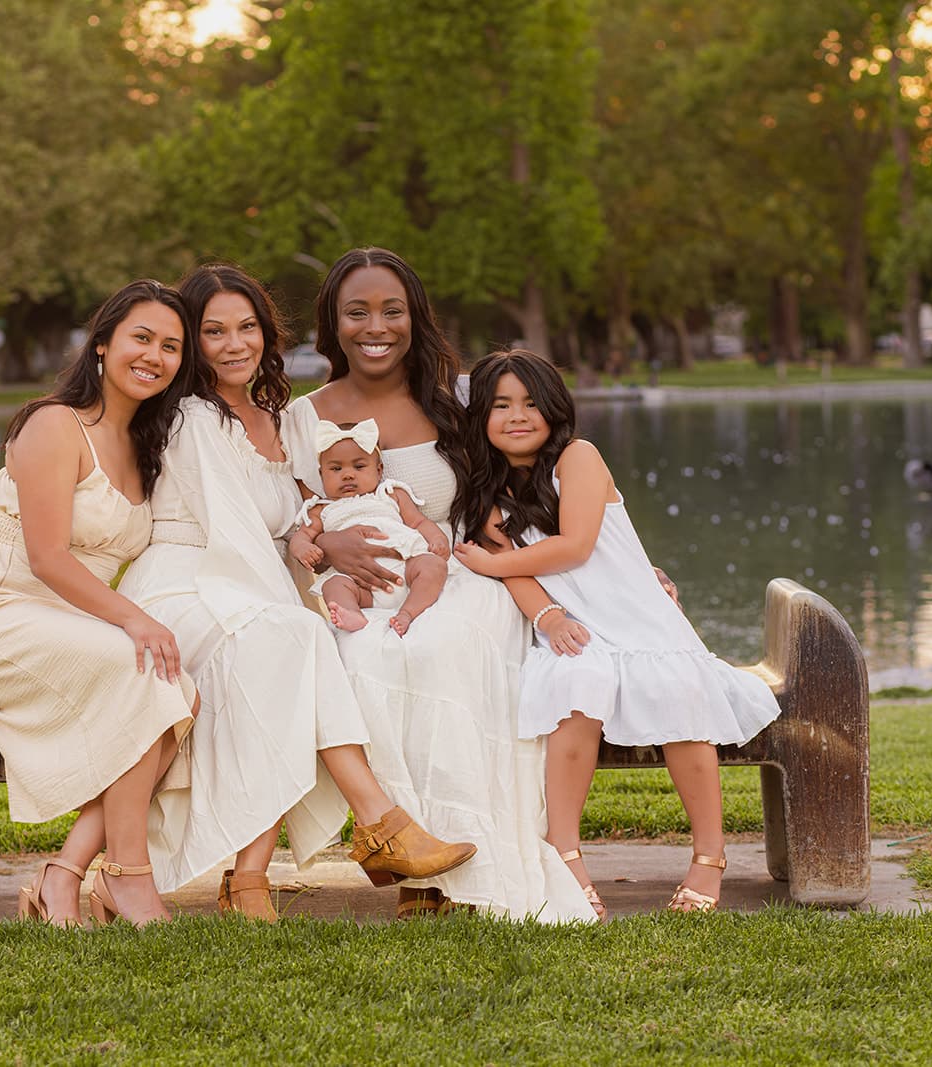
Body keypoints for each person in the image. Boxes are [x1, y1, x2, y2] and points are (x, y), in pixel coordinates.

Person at [117, 263, 477, 921]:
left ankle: (253, 878)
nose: (235, 344)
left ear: (266, 332)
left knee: (291, 652)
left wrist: (323, 547)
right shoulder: (194, 417)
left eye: (247, 327)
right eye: (213, 330)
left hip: (243, 587)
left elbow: (289, 527)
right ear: (192, 341)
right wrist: (304, 593)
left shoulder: (275, 419)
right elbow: (235, 536)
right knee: (298, 643)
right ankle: (378, 825)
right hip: (186, 583)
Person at [283, 248, 597, 923]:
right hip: (351, 589)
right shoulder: (302, 417)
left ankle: (457, 865)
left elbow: (533, 488)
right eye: (357, 311)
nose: (377, 325)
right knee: (362, 654)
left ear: (414, 317)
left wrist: (624, 565)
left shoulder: (453, 402)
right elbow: (277, 514)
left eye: (392, 310)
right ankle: (404, 844)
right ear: (332, 324)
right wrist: (321, 544)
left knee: (444, 647)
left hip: (454, 576)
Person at [453, 349, 783, 914]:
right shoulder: (488, 496)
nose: (518, 415)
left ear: (555, 409)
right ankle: (566, 854)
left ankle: (709, 855)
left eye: (532, 403)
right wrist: (547, 617)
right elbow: (524, 575)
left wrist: (487, 563)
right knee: (575, 686)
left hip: (637, 614)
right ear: (480, 416)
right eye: (501, 404)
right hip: (575, 624)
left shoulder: (578, 458)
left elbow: (576, 544)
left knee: (679, 692)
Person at [0, 280, 202, 929]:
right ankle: (130, 879)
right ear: (102, 344)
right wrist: (135, 619)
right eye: (142, 337)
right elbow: (48, 557)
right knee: (148, 675)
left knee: (180, 693)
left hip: (67, 619)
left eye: (171, 346)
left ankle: (66, 872)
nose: (156, 355)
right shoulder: (54, 424)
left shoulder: (143, 443)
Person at [288, 417, 451, 636]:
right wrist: (302, 548)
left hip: (405, 567)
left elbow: (418, 521)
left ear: (379, 470)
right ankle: (352, 613)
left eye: (359, 466)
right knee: (334, 585)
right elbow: (302, 535)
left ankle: (408, 612)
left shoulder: (391, 494)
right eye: (336, 469)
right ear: (321, 475)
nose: (347, 474)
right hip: (361, 584)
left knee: (433, 566)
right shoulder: (321, 509)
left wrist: (437, 539)